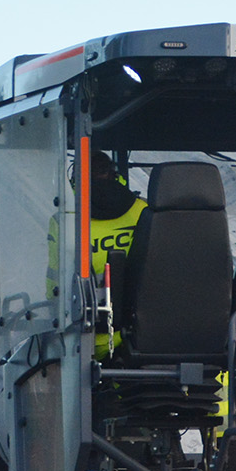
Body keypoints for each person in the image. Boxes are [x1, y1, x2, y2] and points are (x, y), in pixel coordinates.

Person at [87, 152, 145, 360]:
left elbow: (53, 286)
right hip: (142, 333)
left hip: (84, 339)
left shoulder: (66, 217)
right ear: (113, 173)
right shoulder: (143, 211)